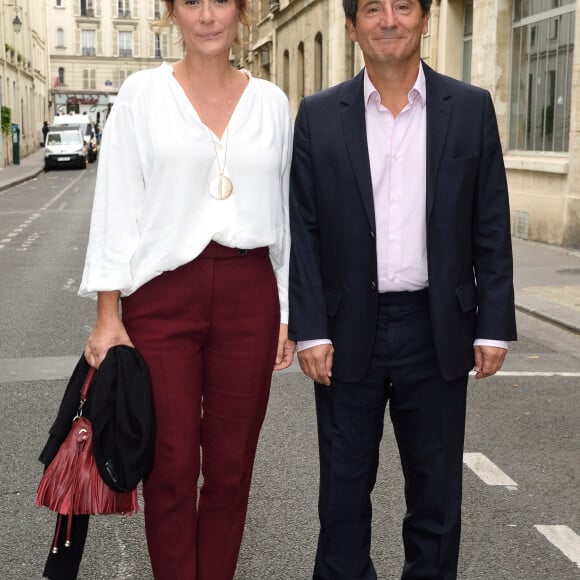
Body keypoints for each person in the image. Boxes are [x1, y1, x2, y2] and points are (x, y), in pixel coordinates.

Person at [289, 0, 517, 579]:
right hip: (345, 333)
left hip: (435, 327)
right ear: (351, 26)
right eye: (372, 8)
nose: (388, 19)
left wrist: (493, 322)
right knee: (341, 500)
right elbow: (306, 229)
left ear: (424, 19)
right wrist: (309, 328)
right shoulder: (318, 116)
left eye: (402, 6)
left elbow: (489, 221)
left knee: (437, 502)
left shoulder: (469, 109)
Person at [78, 0, 295, 578]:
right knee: (170, 467)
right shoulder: (141, 96)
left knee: (230, 468)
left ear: (241, 10)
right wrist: (108, 314)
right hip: (161, 301)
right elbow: (116, 205)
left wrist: (286, 310)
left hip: (251, 296)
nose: (206, 15)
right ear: (171, 13)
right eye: (190, 2)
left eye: (219, 0)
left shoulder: (272, 104)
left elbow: (288, 213)